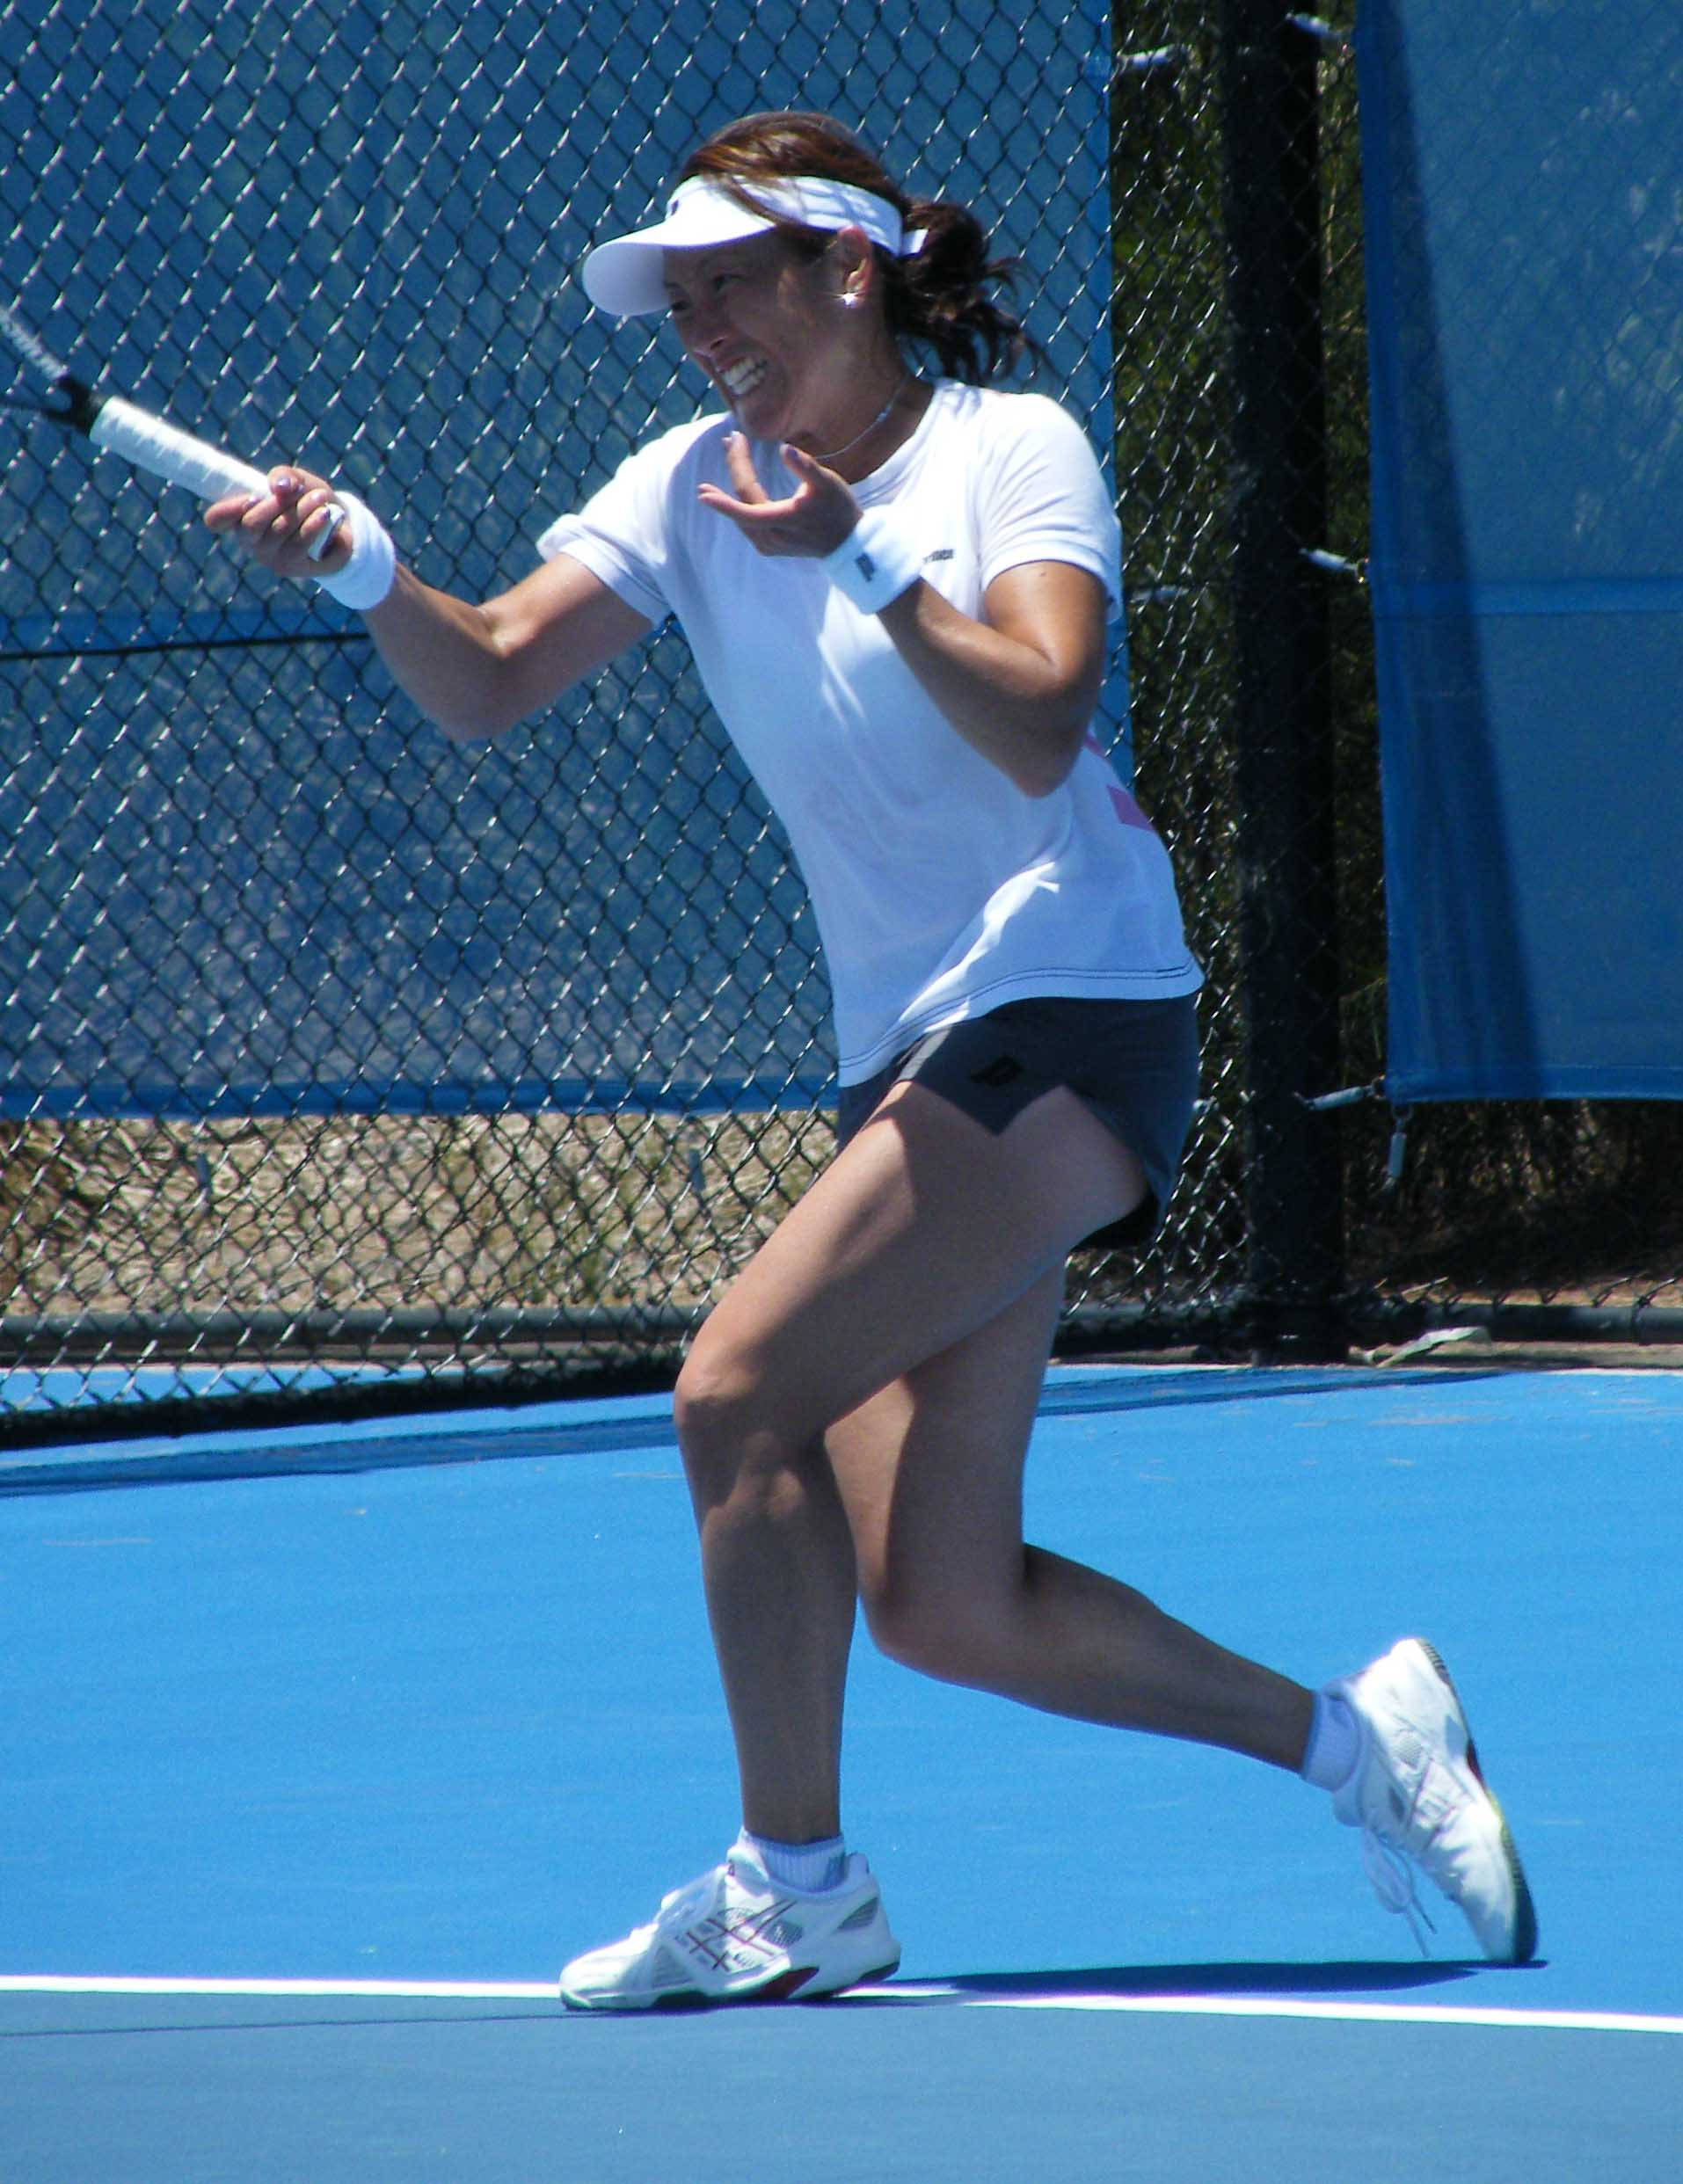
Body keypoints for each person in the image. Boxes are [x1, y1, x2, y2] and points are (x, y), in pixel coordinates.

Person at [208, 111, 1536, 2008]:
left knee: (736, 1390)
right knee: (942, 1601)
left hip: (1066, 998)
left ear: (848, 268)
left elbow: (1043, 714)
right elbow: (489, 670)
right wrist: (361, 568)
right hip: (910, 1046)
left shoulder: (1009, 450)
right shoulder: (689, 484)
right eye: (677, 299)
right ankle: (1362, 1745)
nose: (699, 328)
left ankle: (798, 1883)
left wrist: (864, 558)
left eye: (728, 283)